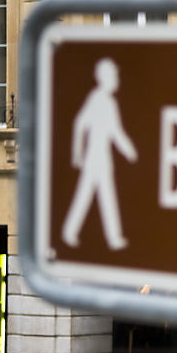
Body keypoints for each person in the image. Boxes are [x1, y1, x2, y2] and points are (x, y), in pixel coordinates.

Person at [62, 58, 138, 251]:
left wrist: (128, 149)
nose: (116, 79)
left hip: (101, 159)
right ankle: (77, 233)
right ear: (104, 78)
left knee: (100, 196)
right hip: (94, 160)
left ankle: (103, 236)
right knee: (92, 196)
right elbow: (80, 123)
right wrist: (76, 154)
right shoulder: (98, 99)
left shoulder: (108, 101)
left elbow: (114, 131)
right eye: (113, 75)